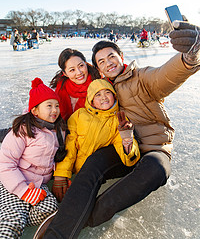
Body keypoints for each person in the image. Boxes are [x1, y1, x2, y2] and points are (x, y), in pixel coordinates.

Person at [40, 20, 199, 239]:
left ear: (121, 57)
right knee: (93, 163)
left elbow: (166, 76)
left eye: (111, 57)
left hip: (152, 146)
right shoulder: (102, 87)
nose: (108, 63)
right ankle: (56, 233)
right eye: (101, 61)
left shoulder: (142, 77)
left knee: (158, 170)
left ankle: (84, 218)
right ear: (98, 67)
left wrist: (188, 59)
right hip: (117, 145)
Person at [34, 79, 140, 238]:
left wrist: (127, 140)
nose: (104, 97)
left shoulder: (117, 120)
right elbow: (68, 147)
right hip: (71, 173)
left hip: (88, 176)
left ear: (114, 96)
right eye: (98, 95)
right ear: (91, 99)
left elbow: (127, 157)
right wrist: (61, 174)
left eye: (107, 93)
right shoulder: (79, 116)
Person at [0, 77, 69, 239]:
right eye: (49, 106)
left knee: (51, 209)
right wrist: (23, 191)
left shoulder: (59, 130)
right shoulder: (23, 130)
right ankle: (9, 215)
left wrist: (63, 176)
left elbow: (57, 158)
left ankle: (16, 214)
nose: (55, 110)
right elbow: (5, 163)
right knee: (13, 220)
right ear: (35, 110)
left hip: (38, 185)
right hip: (13, 182)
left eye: (57, 105)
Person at [50, 48, 101, 121]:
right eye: (72, 70)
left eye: (81, 66)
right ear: (65, 74)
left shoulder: (100, 85)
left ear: (85, 63)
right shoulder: (60, 89)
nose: (79, 72)